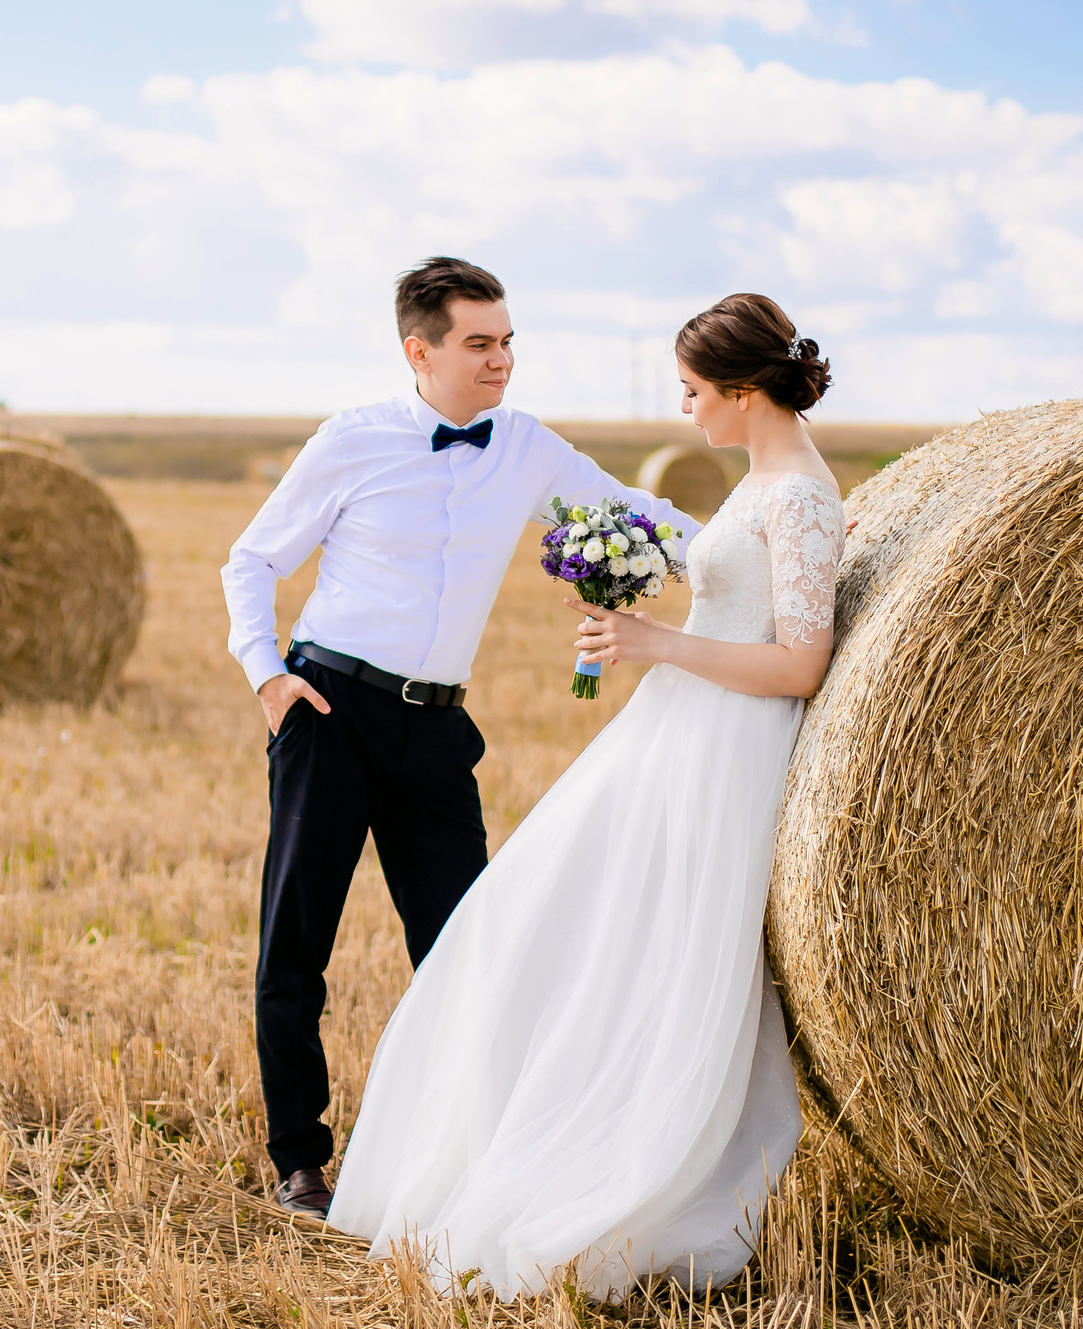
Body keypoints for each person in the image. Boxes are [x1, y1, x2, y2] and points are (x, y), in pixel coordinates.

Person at [328, 291, 843, 1301]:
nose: (687, 413)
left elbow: (800, 666)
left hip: (727, 751)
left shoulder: (798, 496)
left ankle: (628, 1171)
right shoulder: (771, 482)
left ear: (744, 390)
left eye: (696, 393)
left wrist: (657, 644)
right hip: (681, 734)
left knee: (647, 956)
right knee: (548, 931)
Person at [221, 256, 706, 1221]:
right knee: (297, 948)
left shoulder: (527, 447)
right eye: (480, 344)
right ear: (421, 349)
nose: (502, 361)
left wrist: (774, 544)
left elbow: (640, 515)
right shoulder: (352, 442)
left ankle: (468, 1150)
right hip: (330, 713)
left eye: (508, 341)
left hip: (438, 731)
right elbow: (254, 557)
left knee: (465, 950)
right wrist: (268, 676)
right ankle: (299, 1161)